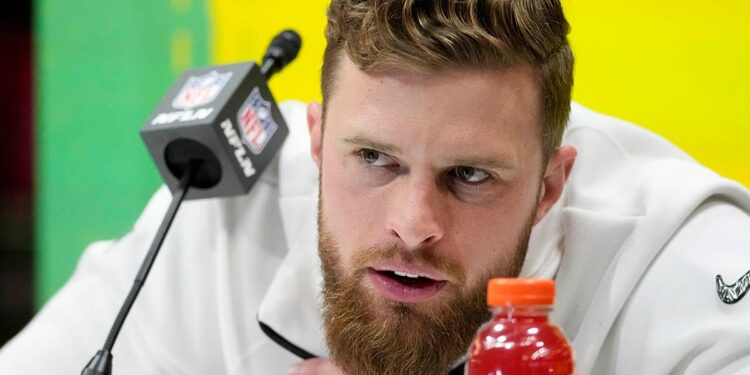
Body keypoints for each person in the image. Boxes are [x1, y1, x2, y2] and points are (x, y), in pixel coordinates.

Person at [2, 0, 750, 374]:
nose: (413, 223)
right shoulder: (221, 214)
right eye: (375, 160)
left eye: (471, 177)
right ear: (318, 139)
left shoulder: (682, 261)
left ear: (552, 185)